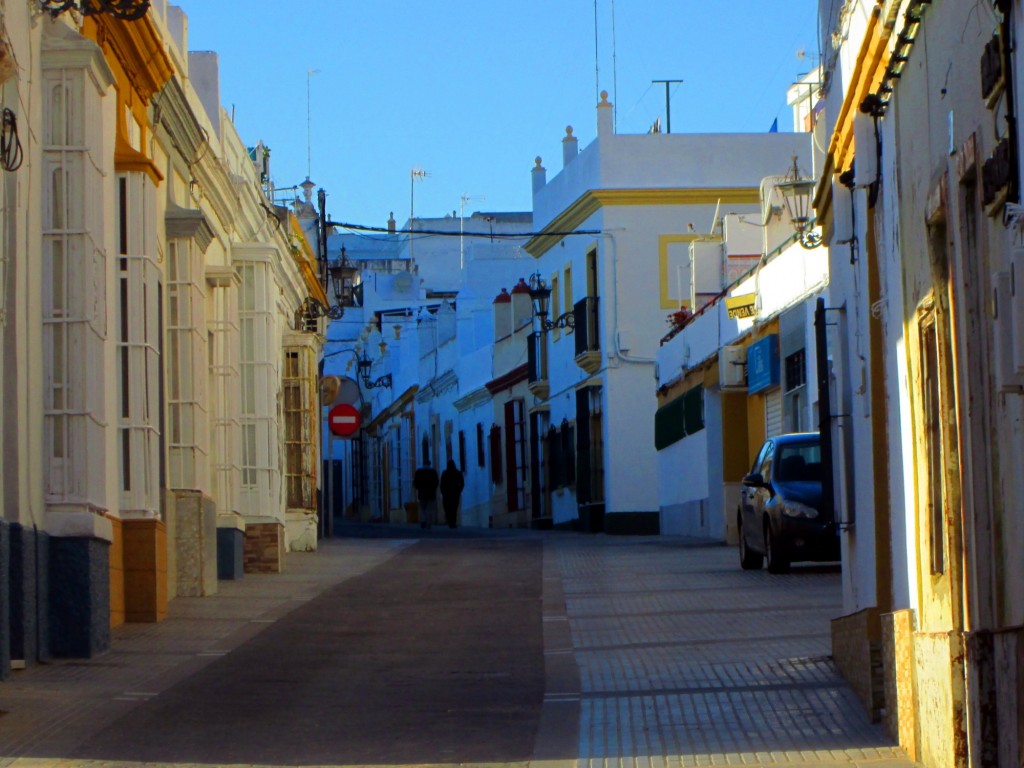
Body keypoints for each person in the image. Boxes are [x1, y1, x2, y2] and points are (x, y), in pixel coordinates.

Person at [413, 459, 439, 529]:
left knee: (423, 509)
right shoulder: (433, 472)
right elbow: (436, 482)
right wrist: (433, 489)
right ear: (430, 464)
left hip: (422, 493)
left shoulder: (419, 472)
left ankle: (423, 521)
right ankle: (428, 523)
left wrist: (419, 488)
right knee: (429, 509)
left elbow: (415, 483)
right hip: (431, 494)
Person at [440, 459, 465, 529]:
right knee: (454, 509)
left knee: (448, 508)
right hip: (455, 494)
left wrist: (442, 492)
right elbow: (462, 483)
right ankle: (453, 522)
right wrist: (459, 490)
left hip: (447, 494)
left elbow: (442, 484)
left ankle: (450, 522)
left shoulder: (445, 473)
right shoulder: (457, 473)